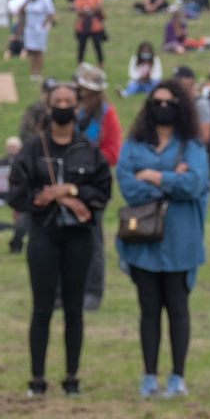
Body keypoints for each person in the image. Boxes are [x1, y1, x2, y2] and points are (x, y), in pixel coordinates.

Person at [7, 81, 112, 396]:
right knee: (41, 308)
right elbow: (19, 193)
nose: (64, 106)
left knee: (74, 308)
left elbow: (102, 192)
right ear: (49, 107)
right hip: (43, 235)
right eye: (58, 101)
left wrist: (69, 190)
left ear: (77, 107)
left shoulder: (89, 151)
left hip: (79, 237)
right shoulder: (32, 149)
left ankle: (71, 378)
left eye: (70, 100)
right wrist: (58, 198)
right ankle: (37, 380)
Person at [116, 80, 210, 397]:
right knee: (148, 310)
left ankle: (177, 377)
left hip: (181, 242)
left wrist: (153, 175)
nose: (162, 107)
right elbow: (128, 185)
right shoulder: (134, 143)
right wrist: (173, 178)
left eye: (169, 102)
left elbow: (195, 184)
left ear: (181, 107)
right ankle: (148, 377)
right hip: (142, 242)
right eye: (156, 101)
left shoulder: (192, 145)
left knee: (178, 309)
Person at [75, 62, 121, 312]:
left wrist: (87, 161)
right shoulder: (70, 111)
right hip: (67, 183)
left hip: (93, 185)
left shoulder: (106, 114)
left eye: (83, 88)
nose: (78, 91)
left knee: (93, 240)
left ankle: (93, 291)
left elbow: (113, 152)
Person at [16, 0, 54, 82]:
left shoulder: (44, 0)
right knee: (32, 52)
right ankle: (32, 73)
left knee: (39, 52)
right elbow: (20, 11)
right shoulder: (28, 1)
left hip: (39, 29)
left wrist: (43, 25)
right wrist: (27, 0)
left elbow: (50, 13)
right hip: (29, 29)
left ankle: (39, 73)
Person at [72, 0, 107, 68]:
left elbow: (99, 7)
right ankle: (79, 65)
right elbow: (78, 9)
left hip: (95, 26)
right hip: (82, 26)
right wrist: (90, 9)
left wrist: (87, 9)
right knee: (81, 47)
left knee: (98, 47)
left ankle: (100, 65)